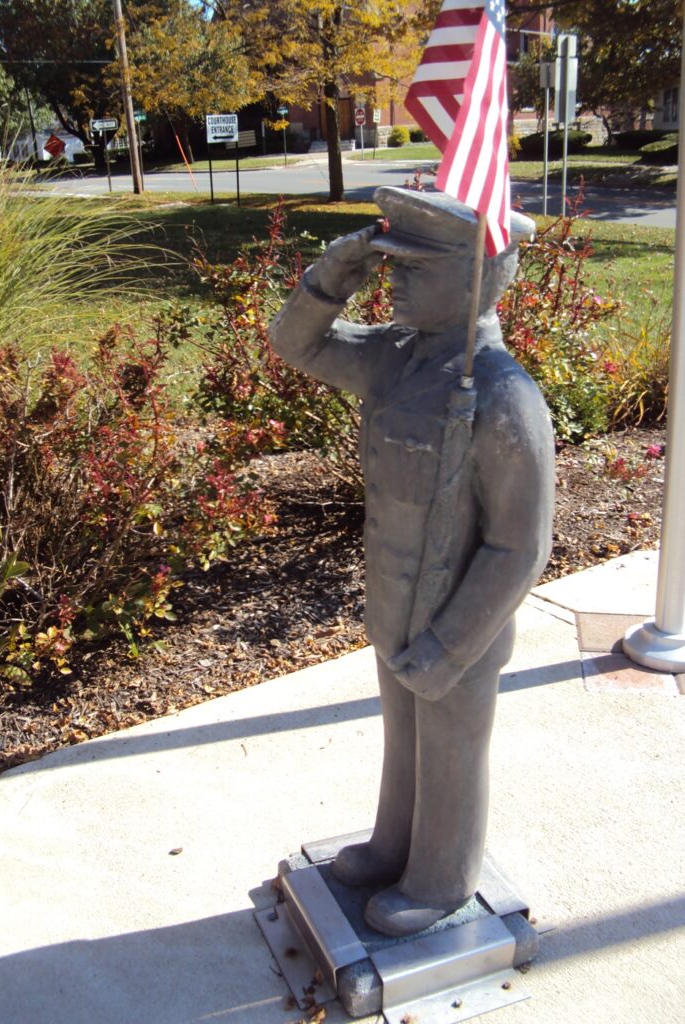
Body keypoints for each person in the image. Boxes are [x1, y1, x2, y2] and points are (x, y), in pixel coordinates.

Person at [268, 186, 554, 938]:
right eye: (393, 266)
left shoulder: (503, 395)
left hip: (459, 626)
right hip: (395, 606)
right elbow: (296, 343)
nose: (394, 281)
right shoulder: (396, 360)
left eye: (415, 270)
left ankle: (439, 876)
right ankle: (395, 844)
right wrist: (331, 275)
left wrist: (447, 646)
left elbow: (519, 546)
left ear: (479, 281)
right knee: (404, 741)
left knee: (452, 750)